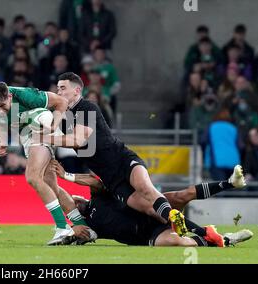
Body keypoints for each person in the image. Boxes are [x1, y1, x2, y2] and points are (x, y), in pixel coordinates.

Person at [42, 72, 189, 237]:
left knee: (146, 189)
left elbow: (77, 140)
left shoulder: (87, 107)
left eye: (63, 88)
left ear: (77, 91)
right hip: (111, 179)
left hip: (123, 161)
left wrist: (43, 137)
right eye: (58, 88)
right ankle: (203, 233)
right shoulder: (64, 117)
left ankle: (172, 216)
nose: (59, 92)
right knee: (147, 208)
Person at [0, 82, 95, 245]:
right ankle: (84, 229)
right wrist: (3, 140)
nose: (2, 110)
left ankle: (62, 228)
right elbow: (0, 123)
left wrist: (52, 129)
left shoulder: (29, 96)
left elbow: (61, 103)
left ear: (10, 96)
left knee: (32, 177)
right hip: (27, 135)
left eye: (4, 106)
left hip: (41, 123)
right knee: (52, 187)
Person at [52, 160, 252, 247]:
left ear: (80, 197)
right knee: (175, 241)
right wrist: (69, 235)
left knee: (182, 195)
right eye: (71, 205)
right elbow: (65, 202)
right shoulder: (87, 227)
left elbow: (94, 181)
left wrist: (65, 176)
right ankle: (223, 239)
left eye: (75, 199)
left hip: (148, 211)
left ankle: (230, 183)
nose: (74, 203)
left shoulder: (98, 198)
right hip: (147, 235)